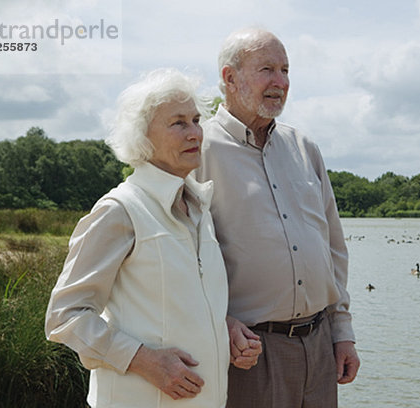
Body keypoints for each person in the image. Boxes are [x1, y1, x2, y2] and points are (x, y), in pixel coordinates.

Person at [45, 68, 258, 408]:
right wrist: (143, 360)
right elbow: (65, 316)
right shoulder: (119, 210)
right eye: (178, 123)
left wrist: (224, 327)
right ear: (142, 137)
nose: (195, 134)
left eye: (196, 120)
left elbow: (177, 302)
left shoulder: (199, 208)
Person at [195, 27, 360, 408]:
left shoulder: (305, 147)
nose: (280, 82)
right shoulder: (198, 151)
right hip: (247, 352)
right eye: (267, 69)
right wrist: (221, 323)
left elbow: (333, 247)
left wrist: (342, 332)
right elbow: (182, 257)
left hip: (320, 349)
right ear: (229, 77)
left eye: (286, 70)